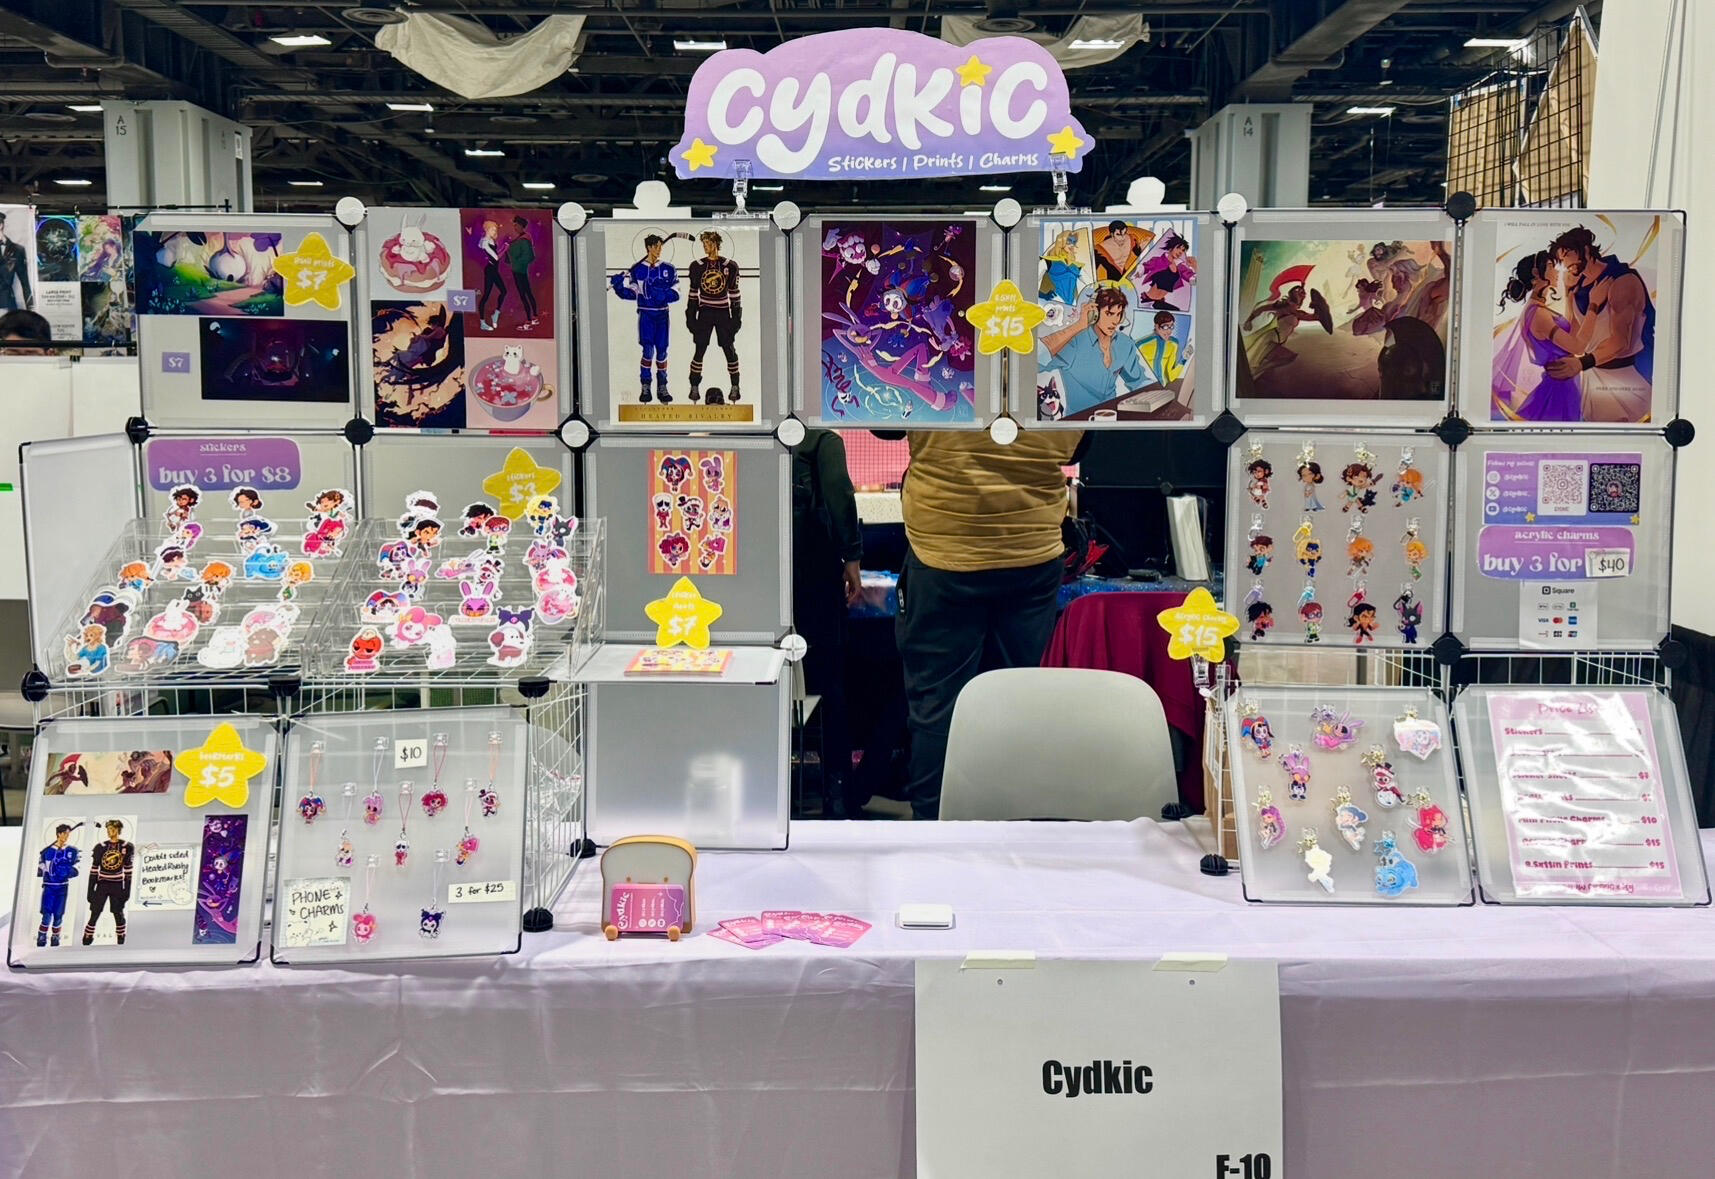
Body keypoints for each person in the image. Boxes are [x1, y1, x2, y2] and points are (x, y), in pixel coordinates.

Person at [888, 428, 1087, 819]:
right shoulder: (1069, 380)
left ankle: (932, 831)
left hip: (944, 549)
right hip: (1031, 548)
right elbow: (1078, 446)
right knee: (1016, 703)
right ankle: (1010, 828)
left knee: (937, 709)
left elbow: (886, 422)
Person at [791, 429, 864, 816]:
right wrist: (852, 555)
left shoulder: (751, 430)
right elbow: (839, 493)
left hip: (757, 576)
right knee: (830, 683)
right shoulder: (821, 440)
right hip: (814, 574)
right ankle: (838, 792)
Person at [1542, 225, 1655, 422]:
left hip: (1625, 381)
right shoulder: (1578, 287)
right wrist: (1568, 294)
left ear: (1586, 250)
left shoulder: (1622, 280)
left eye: (1567, 255)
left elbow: (1620, 342)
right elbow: (1576, 340)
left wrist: (1581, 363)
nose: (1565, 264)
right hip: (1592, 379)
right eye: (1561, 260)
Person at [1492, 249, 1583, 421]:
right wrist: (1594, 307)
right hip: (1559, 387)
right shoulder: (1539, 314)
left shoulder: (1537, 308)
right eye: (1550, 266)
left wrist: (1570, 296)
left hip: (1561, 382)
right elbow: (1577, 347)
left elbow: (1571, 333)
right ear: (1536, 273)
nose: (1557, 271)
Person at [1039, 287, 1152, 416]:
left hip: (1112, 417)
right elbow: (1038, 364)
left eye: (1118, 314)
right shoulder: (1075, 343)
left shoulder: (1125, 343)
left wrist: (1156, 394)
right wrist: (1079, 326)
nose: (1115, 321)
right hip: (1079, 420)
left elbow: (1138, 381)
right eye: (1109, 313)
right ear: (1095, 313)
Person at [609, 233, 679, 404]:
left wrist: (662, 294)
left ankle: (662, 386)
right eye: (656, 246)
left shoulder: (669, 268)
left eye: (661, 246)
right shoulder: (637, 269)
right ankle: (645, 385)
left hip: (662, 316)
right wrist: (619, 287)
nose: (659, 249)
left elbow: (676, 293)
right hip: (646, 315)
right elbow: (632, 293)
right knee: (647, 351)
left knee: (662, 351)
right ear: (648, 247)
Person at [686, 230, 742, 404]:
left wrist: (736, 317)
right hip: (705, 312)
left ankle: (735, 385)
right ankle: (694, 386)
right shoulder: (697, 266)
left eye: (709, 243)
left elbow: (734, 294)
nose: (705, 247)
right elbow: (693, 294)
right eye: (704, 244)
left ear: (716, 244)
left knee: (728, 348)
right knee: (700, 349)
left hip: (723, 312)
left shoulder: (730, 266)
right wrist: (690, 316)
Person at [82, 818, 134, 945]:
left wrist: (127, 890)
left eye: (112, 829)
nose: (109, 831)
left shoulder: (127, 846)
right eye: (108, 829)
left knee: (118, 912)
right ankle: (88, 935)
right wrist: (90, 891)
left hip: (117, 885)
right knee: (95, 911)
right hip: (102, 884)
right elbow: (94, 870)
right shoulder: (100, 847)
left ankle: (121, 936)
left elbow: (128, 871)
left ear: (118, 830)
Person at [36, 823, 80, 947]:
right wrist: (52, 869)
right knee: (46, 914)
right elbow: (44, 868)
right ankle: (41, 936)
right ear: (58, 834)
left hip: (63, 887)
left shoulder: (72, 850)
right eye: (64, 833)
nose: (66, 836)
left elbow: (77, 868)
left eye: (68, 834)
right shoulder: (48, 851)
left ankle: (55, 937)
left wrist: (65, 871)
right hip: (49, 887)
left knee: (59, 914)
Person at [505, 216, 540, 328]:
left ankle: (531, 319)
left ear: (521, 226)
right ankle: (532, 317)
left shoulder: (524, 240)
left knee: (525, 294)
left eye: (516, 225)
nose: (515, 227)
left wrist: (517, 263)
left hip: (520, 271)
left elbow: (529, 256)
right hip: (517, 270)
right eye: (514, 225)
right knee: (525, 294)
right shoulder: (519, 239)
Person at [1136, 310, 1184, 384]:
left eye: (1171, 326)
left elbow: (1171, 376)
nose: (1169, 331)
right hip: (1146, 386)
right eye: (1165, 327)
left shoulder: (1173, 344)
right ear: (1156, 326)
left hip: (1165, 387)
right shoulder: (1141, 345)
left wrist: (1184, 360)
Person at [475, 220, 507, 332]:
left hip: (494, 270)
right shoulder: (484, 242)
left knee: (503, 291)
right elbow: (496, 258)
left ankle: (495, 314)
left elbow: (495, 255)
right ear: (486, 229)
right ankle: (482, 323)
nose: (494, 231)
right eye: (492, 229)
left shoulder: (491, 240)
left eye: (495, 229)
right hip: (490, 271)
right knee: (486, 296)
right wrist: (505, 248)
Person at [0, 213, 32, 311]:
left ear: (1, 225)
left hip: (8, 305)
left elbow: (25, 282)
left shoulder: (17, 250)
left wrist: (31, 308)